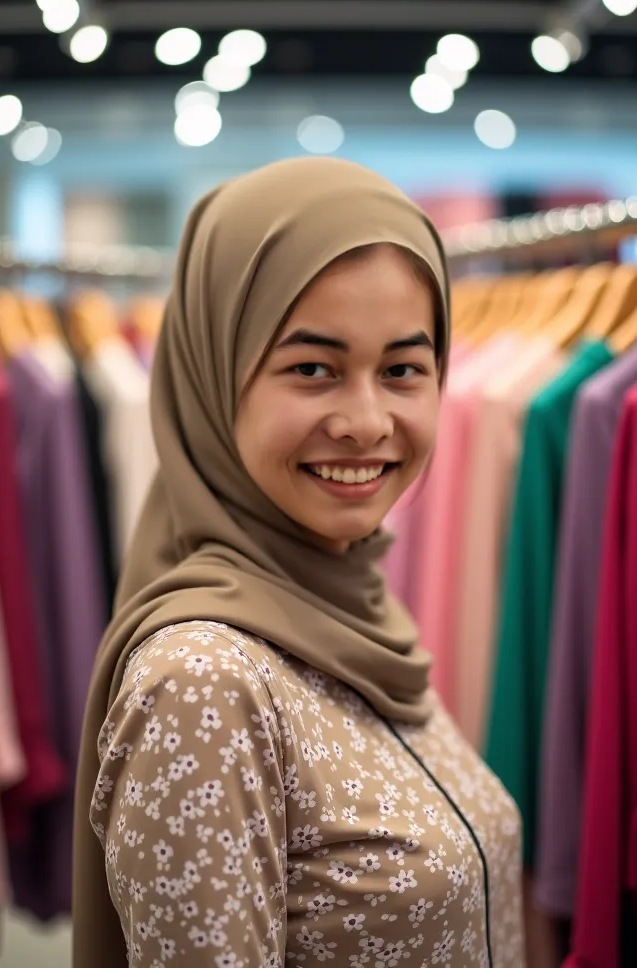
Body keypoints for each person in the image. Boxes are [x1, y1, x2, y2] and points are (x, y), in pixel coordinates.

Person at [73, 156, 524, 968]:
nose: (365, 420)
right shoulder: (205, 685)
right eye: (312, 368)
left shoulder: (351, 602)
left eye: (402, 370)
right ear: (215, 378)